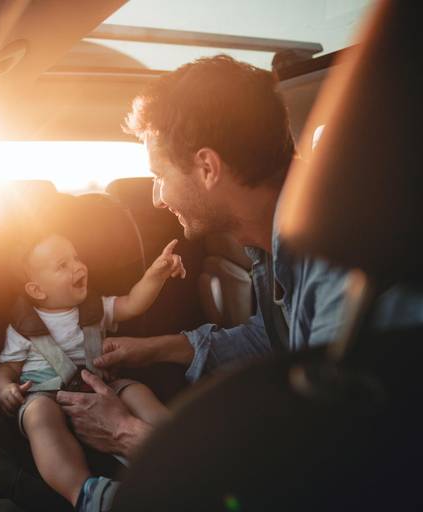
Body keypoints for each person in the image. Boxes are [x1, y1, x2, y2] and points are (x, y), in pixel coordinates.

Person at [57, 55, 348, 459]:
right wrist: (156, 348)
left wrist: (126, 433)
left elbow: (328, 463)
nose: (157, 198)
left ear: (208, 167)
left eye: (160, 175)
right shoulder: (274, 244)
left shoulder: (336, 260)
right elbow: (275, 335)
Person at [0, 231, 184, 510]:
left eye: (76, 258)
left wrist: (155, 275)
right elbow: (7, 368)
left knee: (136, 390)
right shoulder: (24, 327)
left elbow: (133, 303)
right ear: (37, 290)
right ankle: (84, 492)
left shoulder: (96, 308)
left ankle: (176, 447)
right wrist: (5, 388)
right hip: (45, 393)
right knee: (39, 417)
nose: (78, 266)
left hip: (101, 385)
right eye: (63, 265)